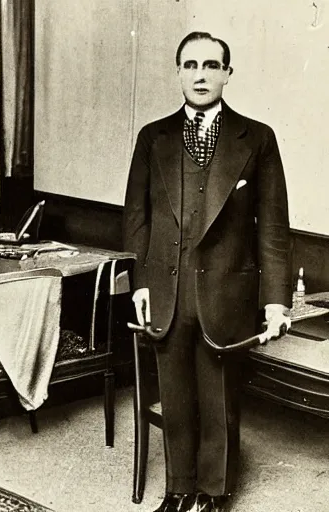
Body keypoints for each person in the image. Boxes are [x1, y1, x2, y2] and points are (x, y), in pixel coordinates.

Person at [122, 31, 292, 512]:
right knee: (175, 397)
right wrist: (139, 282)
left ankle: (214, 495)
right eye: (191, 64)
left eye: (212, 65)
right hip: (166, 290)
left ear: (227, 74)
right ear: (178, 71)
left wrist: (276, 299)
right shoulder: (153, 137)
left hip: (225, 292)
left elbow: (274, 225)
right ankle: (178, 491)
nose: (200, 74)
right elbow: (137, 217)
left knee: (218, 399)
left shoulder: (256, 138)